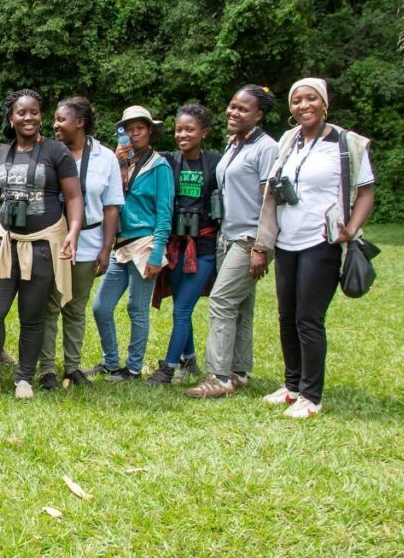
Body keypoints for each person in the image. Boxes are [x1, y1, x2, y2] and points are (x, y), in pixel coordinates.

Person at [253, 78, 374, 418]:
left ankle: (311, 394)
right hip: (287, 239)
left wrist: (350, 230)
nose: (303, 106)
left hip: (321, 240)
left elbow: (365, 191)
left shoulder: (346, 143)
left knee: (309, 318)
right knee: (286, 315)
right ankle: (292, 385)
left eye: (310, 99)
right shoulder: (290, 142)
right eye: (296, 100)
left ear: (323, 103)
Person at [0, 89, 83, 400]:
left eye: (35, 112)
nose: (29, 117)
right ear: (10, 119)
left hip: (42, 246)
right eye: (22, 113)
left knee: (32, 314)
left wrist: (73, 231)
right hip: (5, 244)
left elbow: (74, 197)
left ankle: (24, 378)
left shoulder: (56, 152)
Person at [186, 85, 279, 398]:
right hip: (228, 235)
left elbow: (270, 200)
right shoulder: (235, 144)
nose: (233, 112)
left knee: (222, 300)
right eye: (232, 106)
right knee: (240, 305)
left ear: (259, 115)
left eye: (243, 109)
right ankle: (239, 371)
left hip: (249, 237)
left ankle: (219, 376)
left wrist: (262, 246)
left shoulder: (266, 148)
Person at [37, 97, 123, 389]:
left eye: (61, 119)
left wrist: (106, 249)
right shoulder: (47, 152)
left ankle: (72, 367)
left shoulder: (105, 157)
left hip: (89, 242)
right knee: (49, 307)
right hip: (51, 241)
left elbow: (111, 206)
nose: (55, 124)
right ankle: (47, 368)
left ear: (80, 122)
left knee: (75, 307)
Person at [88, 105, 174, 383]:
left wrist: (157, 253)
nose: (134, 134)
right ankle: (111, 363)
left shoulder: (159, 166)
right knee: (101, 306)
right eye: (129, 129)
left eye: (140, 129)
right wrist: (117, 162)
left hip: (145, 243)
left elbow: (164, 213)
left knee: (137, 308)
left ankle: (133, 369)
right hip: (120, 245)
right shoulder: (118, 162)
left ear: (150, 131)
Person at [145, 104, 222, 384]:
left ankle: (167, 369)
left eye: (190, 129)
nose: (183, 134)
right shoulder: (167, 160)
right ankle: (188, 361)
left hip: (202, 246)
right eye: (179, 129)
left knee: (182, 309)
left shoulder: (216, 162)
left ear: (204, 132)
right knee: (180, 304)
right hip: (174, 244)